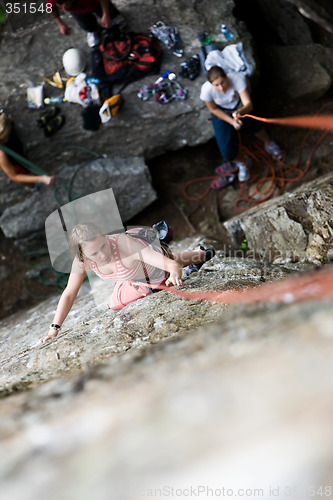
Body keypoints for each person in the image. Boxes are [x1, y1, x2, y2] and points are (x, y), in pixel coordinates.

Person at [40, 222, 215, 343]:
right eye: (94, 254)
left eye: (103, 245)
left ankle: (196, 258)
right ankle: (200, 255)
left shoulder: (122, 243)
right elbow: (69, 294)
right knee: (123, 289)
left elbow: (168, 264)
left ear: (105, 237)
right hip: (140, 269)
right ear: (83, 255)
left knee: (114, 303)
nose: (102, 255)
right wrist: (54, 329)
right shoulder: (81, 261)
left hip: (152, 270)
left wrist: (174, 273)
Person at [200, 65, 282, 188]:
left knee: (255, 125)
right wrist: (231, 121)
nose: (221, 87)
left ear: (226, 77)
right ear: (211, 84)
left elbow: (248, 104)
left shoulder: (237, 79)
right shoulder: (206, 90)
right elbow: (214, 110)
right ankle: (242, 162)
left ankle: (268, 144)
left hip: (239, 107)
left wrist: (240, 112)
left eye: (222, 82)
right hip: (222, 113)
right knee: (226, 150)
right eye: (216, 85)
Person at [0, 112, 55, 187]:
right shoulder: (1, 154)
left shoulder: (5, 123)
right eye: (6, 137)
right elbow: (14, 176)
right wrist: (42, 179)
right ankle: (33, 187)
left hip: (17, 149)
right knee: (27, 179)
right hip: (15, 162)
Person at [48, 0, 126, 47]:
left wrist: (106, 14)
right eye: (60, 5)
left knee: (110, 12)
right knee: (85, 23)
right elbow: (51, 8)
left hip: (96, 2)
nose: (64, 9)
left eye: (66, 4)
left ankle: (114, 17)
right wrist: (60, 24)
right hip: (77, 10)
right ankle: (92, 30)